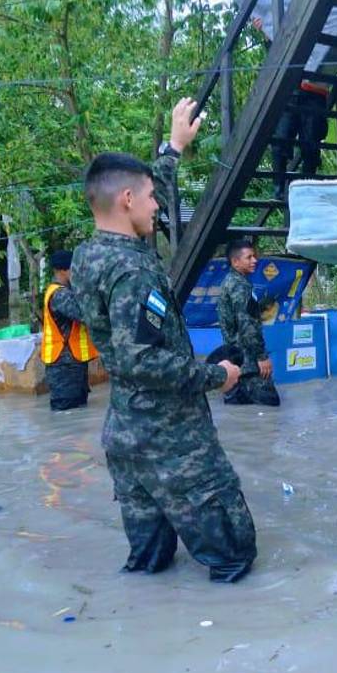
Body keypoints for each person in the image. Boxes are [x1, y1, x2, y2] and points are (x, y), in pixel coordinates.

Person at [71, 98, 257, 583]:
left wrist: (174, 148)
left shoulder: (91, 254)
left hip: (127, 437)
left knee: (150, 567)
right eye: (152, 198)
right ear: (128, 201)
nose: (159, 205)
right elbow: (142, 361)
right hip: (173, 439)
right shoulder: (133, 270)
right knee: (236, 556)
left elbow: (146, 190)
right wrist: (218, 375)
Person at [218, 238, 281, 407]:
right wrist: (262, 357)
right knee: (270, 410)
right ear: (235, 262)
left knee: (244, 415)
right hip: (249, 364)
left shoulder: (230, 282)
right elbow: (247, 324)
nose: (255, 260)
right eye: (249, 257)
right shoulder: (239, 286)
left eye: (254, 256)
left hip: (236, 361)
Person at [41, 249, 97, 411]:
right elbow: (86, 315)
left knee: (77, 413)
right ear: (64, 270)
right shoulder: (60, 295)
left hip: (72, 362)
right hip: (64, 365)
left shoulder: (64, 292)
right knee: (65, 411)